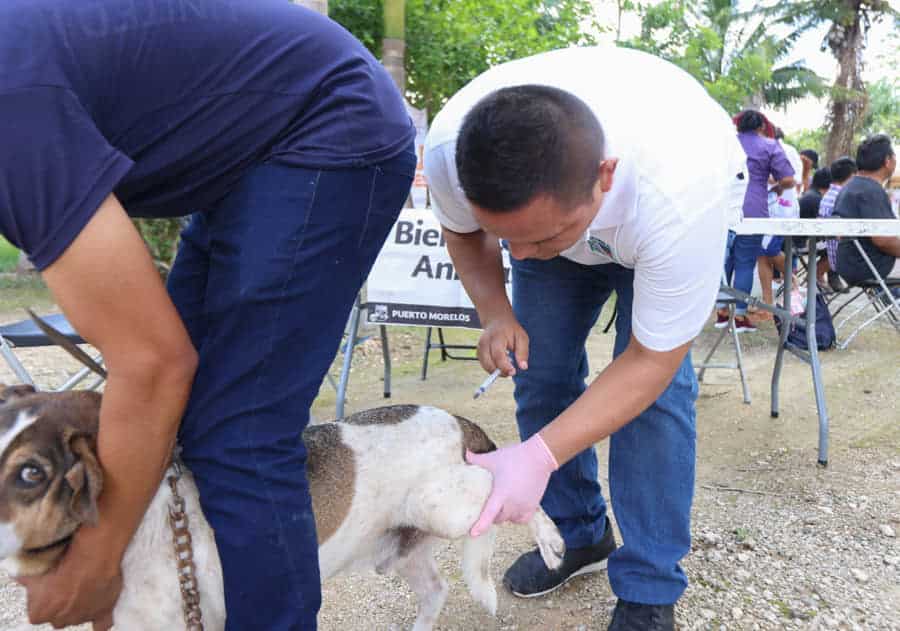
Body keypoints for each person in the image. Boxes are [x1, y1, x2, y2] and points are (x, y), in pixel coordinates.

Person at [0, 2, 415, 629]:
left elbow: (154, 362)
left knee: (237, 433)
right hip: (249, 141)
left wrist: (94, 560)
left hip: (328, 121)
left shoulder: (10, 113)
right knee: (179, 422)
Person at [424, 46, 747, 631]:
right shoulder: (453, 149)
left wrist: (538, 456)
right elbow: (464, 233)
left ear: (605, 176)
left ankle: (650, 581)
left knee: (656, 401)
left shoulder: (679, 195)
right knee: (539, 372)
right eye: (507, 237)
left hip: (657, 219)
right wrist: (496, 312)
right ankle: (578, 533)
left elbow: (648, 360)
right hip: (571, 204)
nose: (519, 256)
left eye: (540, 237)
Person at [714, 110, 795, 331]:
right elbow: (788, 179)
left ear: (737, 126)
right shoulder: (769, 145)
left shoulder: (725, 144)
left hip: (723, 208)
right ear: (761, 127)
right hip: (753, 209)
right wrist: (777, 187)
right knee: (745, 262)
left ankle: (721, 312)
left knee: (724, 261)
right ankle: (739, 317)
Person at [834, 135, 900, 286]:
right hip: (868, 268)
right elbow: (883, 240)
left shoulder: (850, 186)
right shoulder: (872, 191)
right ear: (887, 161)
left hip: (847, 264)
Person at [820, 156, 859, 292]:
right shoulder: (844, 197)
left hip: (834, 259)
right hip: (849, 261)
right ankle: (893, 295)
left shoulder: (827, 196)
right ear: (853, 176)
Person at [798, 167, 833, 284]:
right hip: (801, 243)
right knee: (839, 249)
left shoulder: (810, 195)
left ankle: (817, 276)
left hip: (799, 239)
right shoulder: (817, 199)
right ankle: (815, 276)